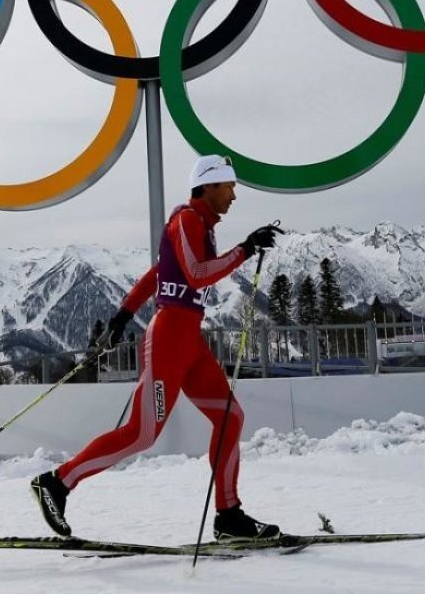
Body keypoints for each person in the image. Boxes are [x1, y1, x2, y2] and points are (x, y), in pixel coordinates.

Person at [31, 154, 284, 541]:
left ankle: (229, 516)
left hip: (190, 342)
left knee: (230, 418)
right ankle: (58, 482)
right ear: (209, 184)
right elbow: (195, 276)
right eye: (229, 185)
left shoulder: (202, 225)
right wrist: (246, 249)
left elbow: (158, 271)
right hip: (168, 340)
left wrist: (122, 315)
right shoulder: (186, 219)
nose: (234, 195)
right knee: (142, 433)